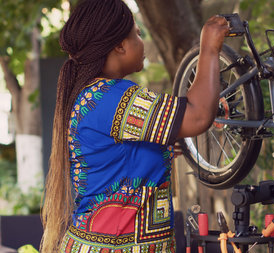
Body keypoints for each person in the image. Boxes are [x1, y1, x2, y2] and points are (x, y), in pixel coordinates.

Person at [40, 0, 229, 252]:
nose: (142, 42)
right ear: (119, 45)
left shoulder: (97, 96)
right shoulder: (114, 96)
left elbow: (117, 159)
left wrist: (152, 151)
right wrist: (208, 48)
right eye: (137, 34)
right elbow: (197, 116)